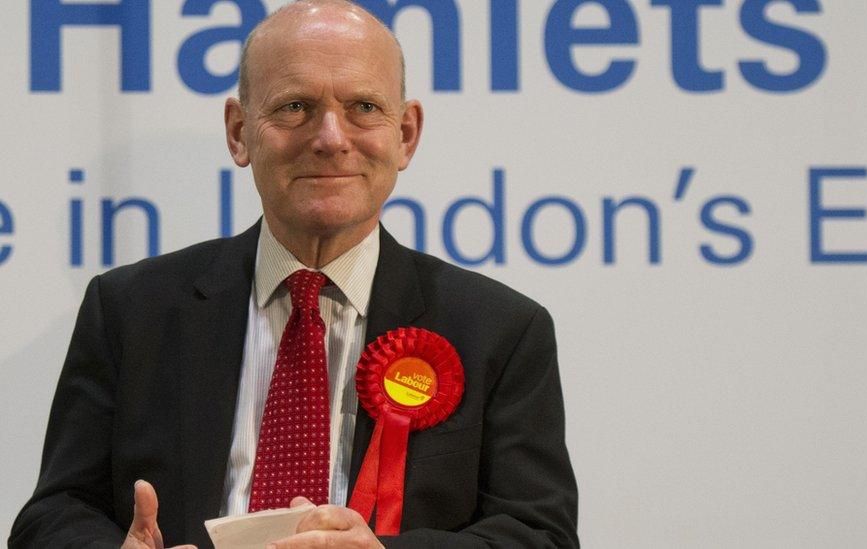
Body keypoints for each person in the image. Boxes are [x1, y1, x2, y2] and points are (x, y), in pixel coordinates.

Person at [9, 1, 578, 547]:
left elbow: (539, 535)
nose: (330, 138)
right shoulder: (130, 310)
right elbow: (53, 515)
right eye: (295, 107)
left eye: (363, 108)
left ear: (405, 135)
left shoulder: (501, 330)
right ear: (238, 132)